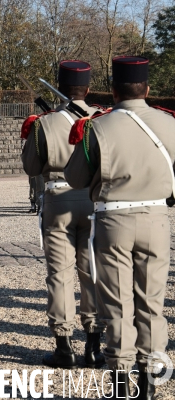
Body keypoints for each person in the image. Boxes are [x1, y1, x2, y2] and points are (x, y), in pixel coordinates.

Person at [64, 56, 175, 399]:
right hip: (157, 218)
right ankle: (151, 377)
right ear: (148, 89)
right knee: (153, 302)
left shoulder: (99, 126)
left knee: (116, 304)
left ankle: (119, 378)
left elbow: (75, 178)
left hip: (114, 219)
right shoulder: (170, 124)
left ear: (112, 91)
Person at [21, 60, 105, 370]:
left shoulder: (45, 122)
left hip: (57, 198)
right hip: (94, 201)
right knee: (92, 272)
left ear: (60, 86)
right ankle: (95, 345)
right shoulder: (101, 118)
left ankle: (64, 346)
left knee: (59, 274)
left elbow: (31, 167)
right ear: (88, 87)